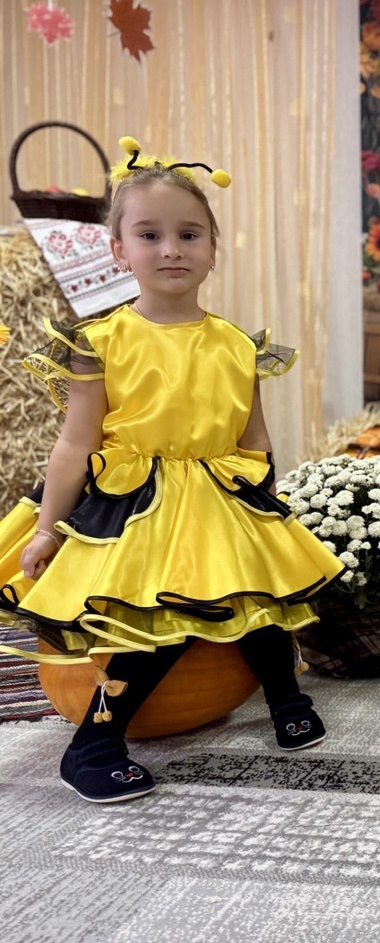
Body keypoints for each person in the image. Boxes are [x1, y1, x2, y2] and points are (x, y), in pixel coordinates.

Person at [0, 136, 345, 803]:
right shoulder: (101, 342)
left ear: (213, 250)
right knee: (156, 621)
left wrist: (266, 508)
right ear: (119, 250)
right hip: (141, 508)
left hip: (222, 495)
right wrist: (46, 529)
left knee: (257, 598)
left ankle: (285, 697)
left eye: (189, 235)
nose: (171, 249)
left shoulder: (236, 344)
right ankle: (94, 742)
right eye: (149, 235)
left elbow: (253, 435)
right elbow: (74, 445)